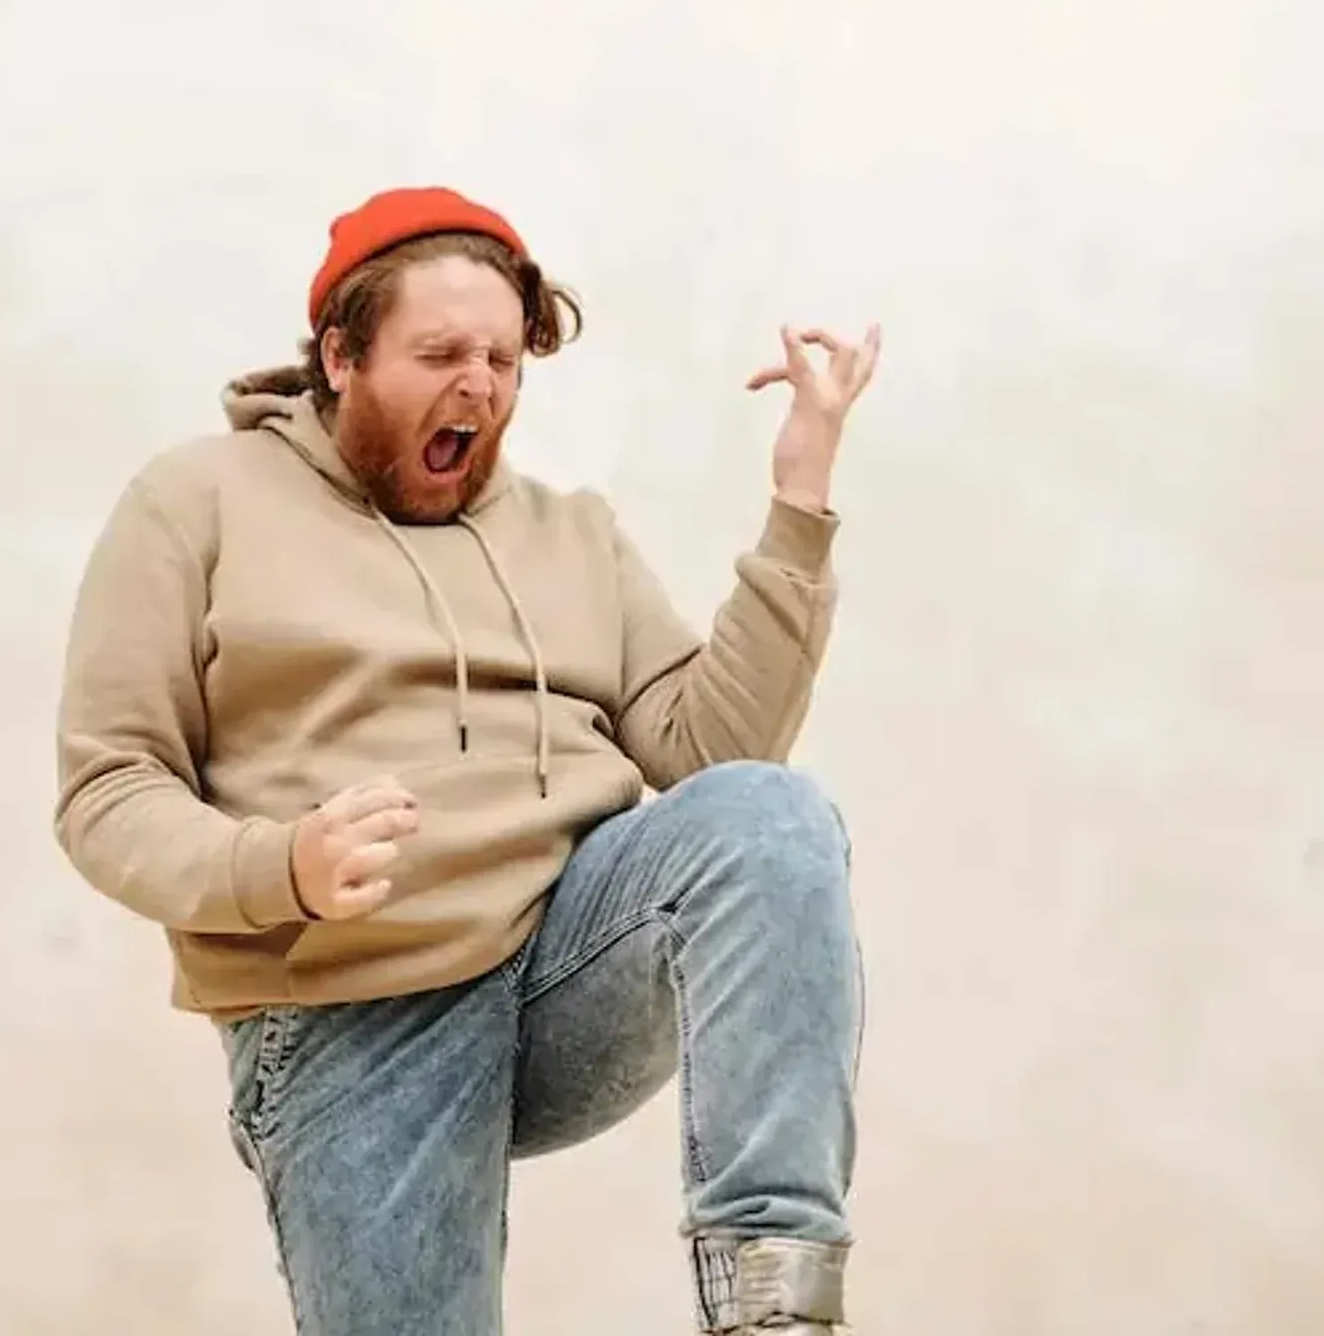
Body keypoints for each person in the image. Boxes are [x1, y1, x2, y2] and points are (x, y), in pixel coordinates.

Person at [52, 185, 883, 1336]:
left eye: (501, 356)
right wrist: (277, 865)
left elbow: (713, 752)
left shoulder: (569, 531)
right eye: (439, 351)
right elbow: (108, 788)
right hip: (350, 1007)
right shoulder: (194, 502)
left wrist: (799, 500)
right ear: (339, 356)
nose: (480, 385)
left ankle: (773, 1309)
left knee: (769, 819)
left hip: (561, 962)